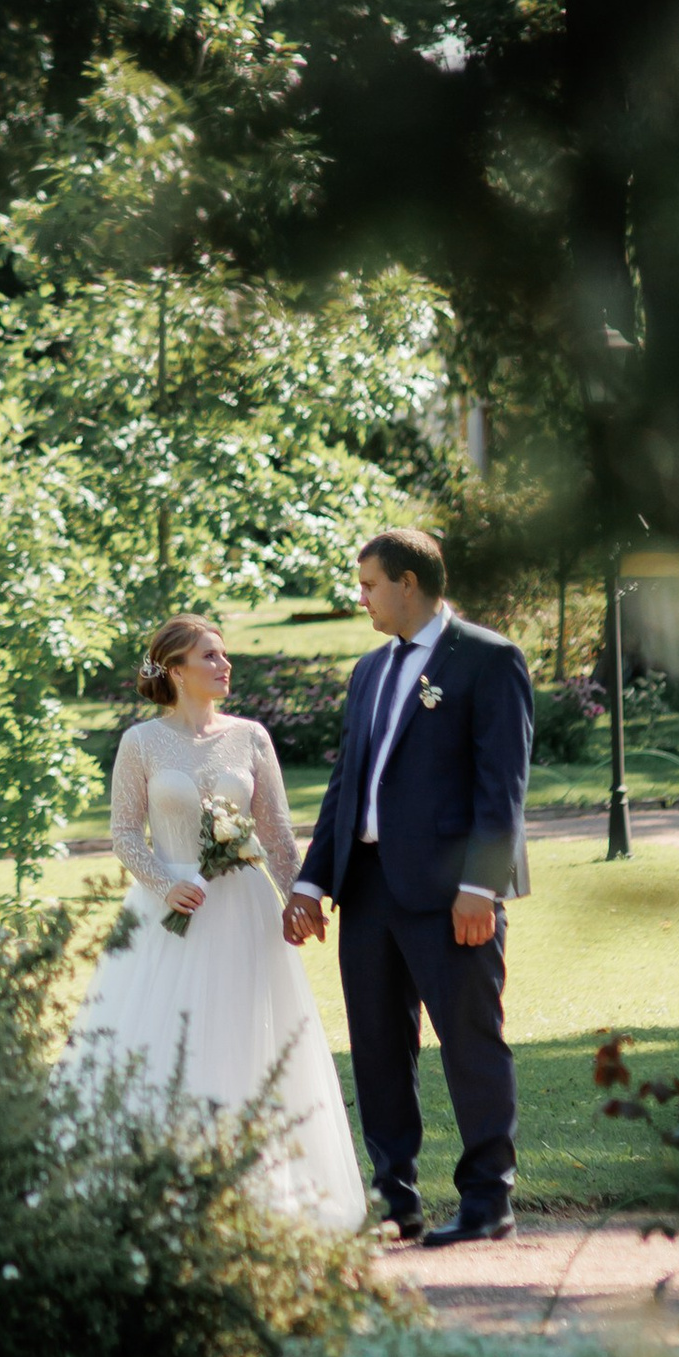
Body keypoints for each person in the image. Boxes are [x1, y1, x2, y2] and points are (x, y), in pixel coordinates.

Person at [65, 612, 368, 1231]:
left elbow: (279, 834)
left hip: (243, 911)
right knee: (166, 1040)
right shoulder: (141, 743)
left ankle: (256, 1184)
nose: (225, 666)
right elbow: (123, 832)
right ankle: (166, 1184)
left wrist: (300, 897)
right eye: (210, 656)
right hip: (168, 911)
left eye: (224, 655)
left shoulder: (252, 737)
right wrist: (165, 882)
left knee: (247, 1037)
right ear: (175, 670)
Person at [283, 525, 533, 1247]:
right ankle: (397, 1203)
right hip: (366, 892)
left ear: (408, 584)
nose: (360, 597)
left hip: (452, 895)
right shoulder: (368, 670)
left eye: (368, 585)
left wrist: (482, 889)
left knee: (471, 1043)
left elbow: (502, 786)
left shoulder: (488, 659)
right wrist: (311, 880)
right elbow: (346, 785)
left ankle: (489, 1203)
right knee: (378, 1051)